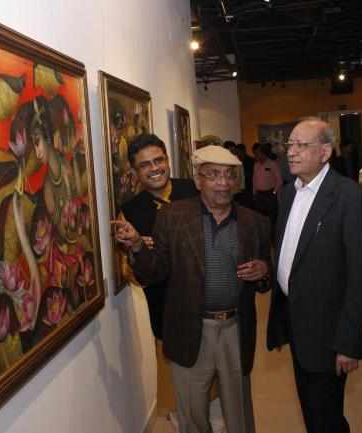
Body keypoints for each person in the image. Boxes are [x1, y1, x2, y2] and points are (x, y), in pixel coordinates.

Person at [112, 145, 271, 433]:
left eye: (229, 175)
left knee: (239, 413)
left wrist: (263, 270)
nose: (223, 183)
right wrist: (137, 247)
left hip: (235, 328)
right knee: (191, 414)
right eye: (214, 175)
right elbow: (155, 272)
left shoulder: (255, 222)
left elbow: (265, 274)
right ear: (198, 180)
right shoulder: (172, 217)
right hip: (189, 328)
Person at [267, 117, 362, 433]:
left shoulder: (348, 196)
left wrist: (349, 342)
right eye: (289, 144)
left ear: (326, 152)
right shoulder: (287, 195)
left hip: (329, 334)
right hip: (297, 327)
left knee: (326, 419)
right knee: (312, 415)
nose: (291, 152)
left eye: (302, 145)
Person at [118, 132, 198, 419]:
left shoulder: (194, 189)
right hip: (165, 310)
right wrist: (138, 249)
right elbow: (131, 272)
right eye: (145, 165)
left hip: (206, 308)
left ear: (167, 160)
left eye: (158, 160)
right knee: (178, 398)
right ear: (134, 171)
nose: (154, 169)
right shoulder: (130, 212)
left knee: (214, 399)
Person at [252, 142, 282, 236]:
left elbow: (279, 180)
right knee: (260, 217)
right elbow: (254, 179)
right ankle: (263, 237)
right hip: (259, 195)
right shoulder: (256, 165)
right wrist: (254, 192)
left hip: (269, 194)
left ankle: (273, 238)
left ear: (263, 153)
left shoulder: (273, 164)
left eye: (257, 153)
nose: (255, 155)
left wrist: (274, 192)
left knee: (272, 218)